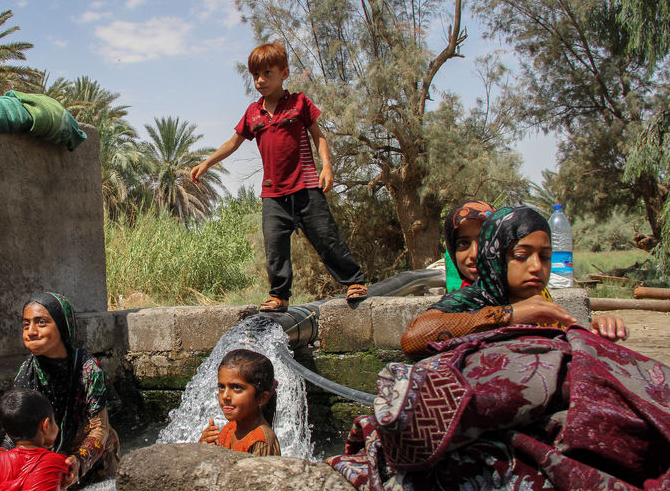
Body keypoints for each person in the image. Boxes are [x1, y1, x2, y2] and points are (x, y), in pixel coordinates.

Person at [190, 42, 367, 312]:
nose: (260, 80)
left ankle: (354, 281)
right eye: (256, 75)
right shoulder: (253, 112)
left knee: (326, 238)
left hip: (306, 185)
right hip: (273, 192)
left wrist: (327, 167)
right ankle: (279, 296)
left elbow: (319, 136)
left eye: (267, 74)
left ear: (284, 73)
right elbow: (233, 142)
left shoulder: (299, 103)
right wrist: (207, 163)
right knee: (275, 247)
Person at [401, 206, 627, 359]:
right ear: (495, 256)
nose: (537, 266)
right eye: (521, 256)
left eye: (545, 257)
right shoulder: (474, 299)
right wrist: (509, 314)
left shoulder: (542, 302)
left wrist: (593, 339)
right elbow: (413, 339)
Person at [13, 292, 120, 488]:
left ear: (63, 326)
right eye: (26, 324)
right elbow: (16, 426)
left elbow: (100, 428)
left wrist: (79, 462)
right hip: (49, 465)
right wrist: (0, 460)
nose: (31, 331)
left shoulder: (88, 368)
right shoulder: (27, 372)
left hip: (94, 463)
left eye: (41, 322)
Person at [199, 349, 281, 456]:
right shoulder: (230, 429)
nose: (225, 396)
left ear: (261, 398)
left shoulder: (261, 442)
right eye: (222, 387)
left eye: (236, 387)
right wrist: (203, 446)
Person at [442, 199, 496, 291]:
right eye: (463, 243)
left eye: (484, 241)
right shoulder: (456, 302)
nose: (475, 254)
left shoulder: (525, 296)